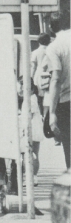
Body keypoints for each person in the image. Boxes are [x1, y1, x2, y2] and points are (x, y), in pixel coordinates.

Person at [44, 14, 70, 168]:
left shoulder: (55, 47)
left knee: (69, 146)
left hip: (67, 103)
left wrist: (52, 112)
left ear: (51, 27)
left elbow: (56, 79)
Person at [30, 33, 51, 113]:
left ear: (38, 41)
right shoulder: (51, 51)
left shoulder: (35, 52)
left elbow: (33, 67)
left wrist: (31, 78)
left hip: (38, 77)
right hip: (49, 76)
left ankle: (41, 114)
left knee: (39, 98)